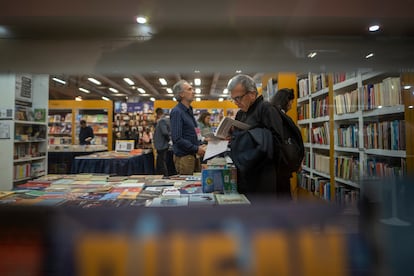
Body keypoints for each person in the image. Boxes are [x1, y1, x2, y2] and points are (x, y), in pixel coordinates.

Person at [227, 74, 286, 198]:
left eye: (238, 98)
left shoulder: (266, 109)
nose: (236, 103)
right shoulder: (241, 114)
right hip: (244, 173)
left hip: (262, 177)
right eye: (234, 99)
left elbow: (277, 142)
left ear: (252, 94)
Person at [271, 88, 305, 198]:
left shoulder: (273, 115)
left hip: (277, 168)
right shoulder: (282, 118)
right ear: (286, 101)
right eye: (291, 102)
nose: (291, 105)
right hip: (282, 168)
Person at [170, 80, 206, 175]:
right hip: (184, 158)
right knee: (187, 186)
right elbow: (177, 138)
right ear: (181, 94)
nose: (193, 91)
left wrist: (200, 143)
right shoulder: (177, 112)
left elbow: (194, 131)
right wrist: (196, 148)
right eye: (190, 89)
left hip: (194, 155)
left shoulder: (189, 110)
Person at [153, 108, 171, 176]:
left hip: (161, 144)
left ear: (157, 114)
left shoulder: (162, 121)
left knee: (161, 162)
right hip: (163, 144)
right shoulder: (166, 120)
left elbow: (165, 132)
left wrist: (168, 140)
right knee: (161, 161)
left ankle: (164, 176)